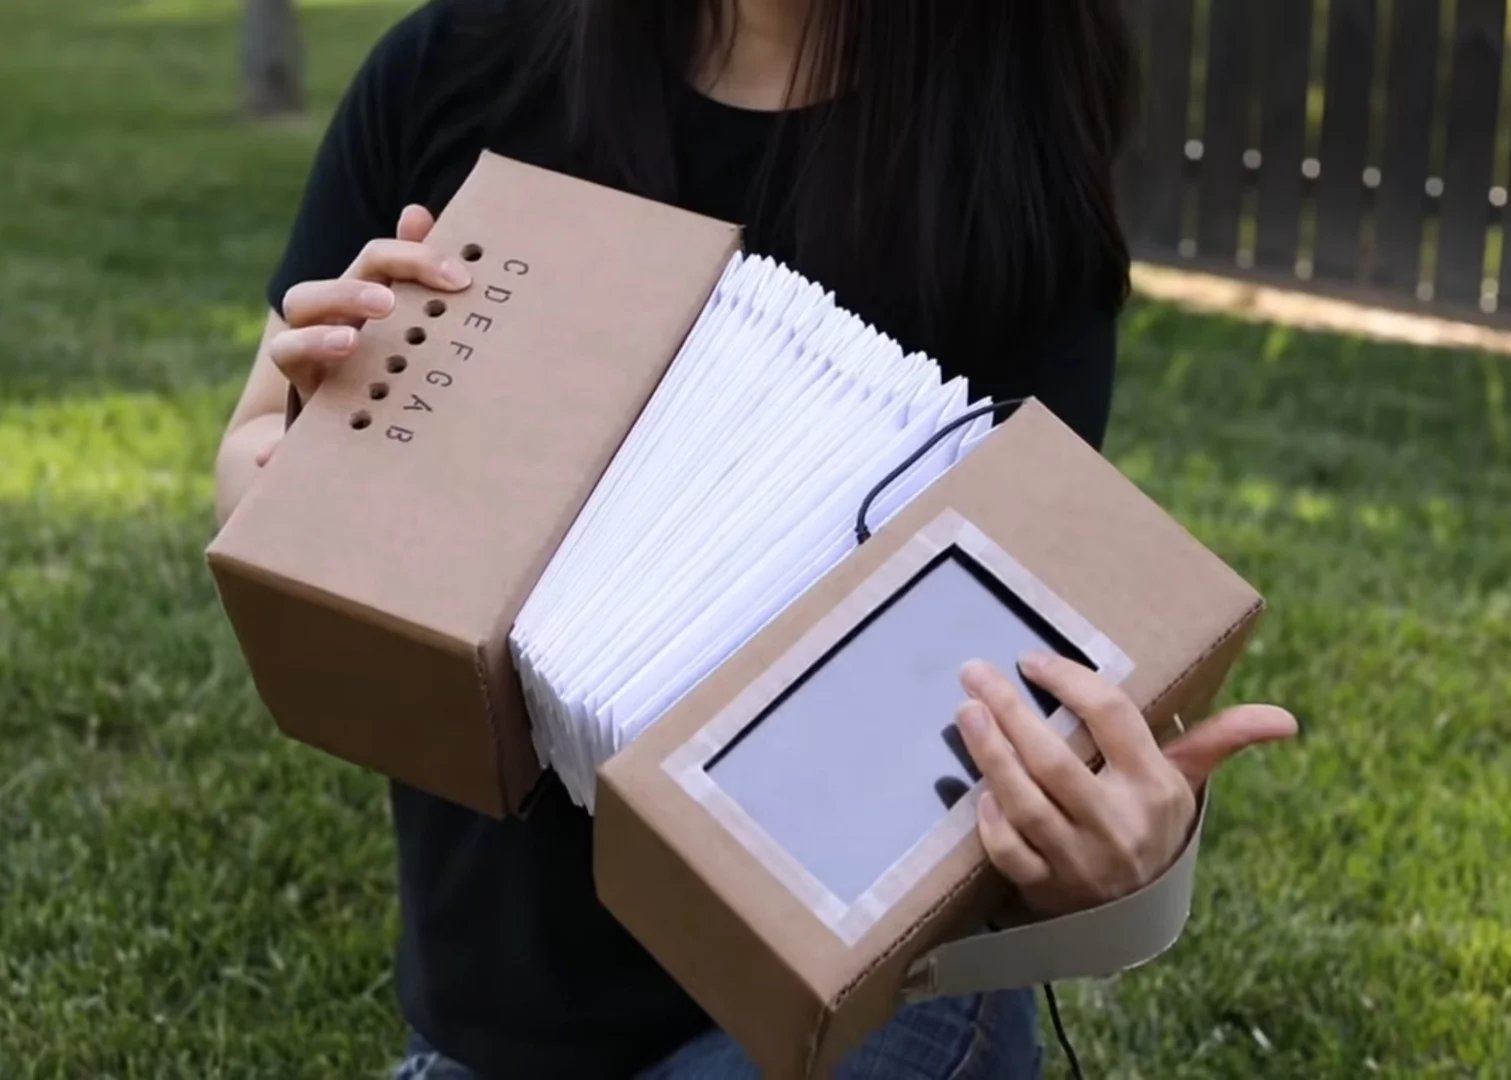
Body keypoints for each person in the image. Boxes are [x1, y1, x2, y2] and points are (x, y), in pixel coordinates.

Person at [212, 1, 1298, 1076]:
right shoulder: (452, 64)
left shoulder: (1007, 148)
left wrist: (1108, 863)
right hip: (503, 1015)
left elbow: (1009, 652)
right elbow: (254, 452)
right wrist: (311, 486)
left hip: (852, 1009)